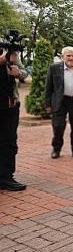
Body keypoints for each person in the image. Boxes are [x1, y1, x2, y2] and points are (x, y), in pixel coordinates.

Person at [0, 48, 27, 191]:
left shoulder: (8, 51)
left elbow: (24, 72)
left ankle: (6, 177)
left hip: (10, 104)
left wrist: (19, 73)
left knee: (9, 141)